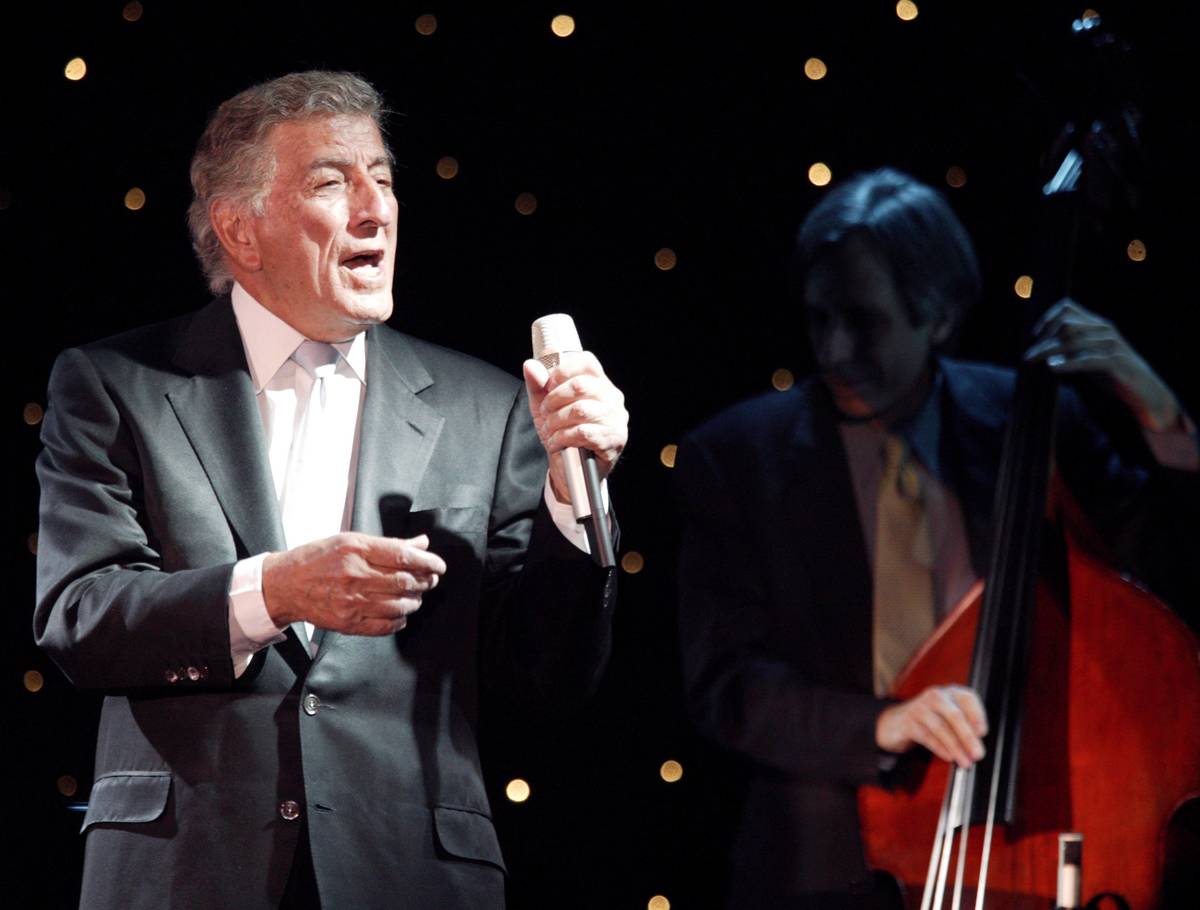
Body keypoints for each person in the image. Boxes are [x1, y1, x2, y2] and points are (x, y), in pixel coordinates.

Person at [33, 71, 628, 910]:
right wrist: (272, 592)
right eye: (331, 182)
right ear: (240, 229)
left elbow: (546, 676)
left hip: (409, 875)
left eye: (383, 178)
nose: (376, 208)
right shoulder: (116, 384)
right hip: (185, 872)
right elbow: (81, 616)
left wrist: (573, 494)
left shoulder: (488, 408)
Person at [674, 168, 1198, 908]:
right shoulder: (734, 457)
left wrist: (1160, 415)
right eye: (820, 319)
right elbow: (725, 685)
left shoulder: (1029, 419)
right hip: (825, 866)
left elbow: (1165, 575)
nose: (835, 349)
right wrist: (886, 723)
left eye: (865, 321)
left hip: (1035, 839)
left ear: (940, 318)